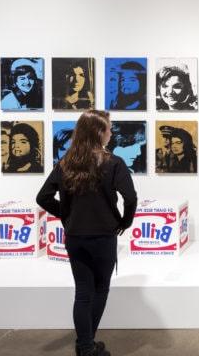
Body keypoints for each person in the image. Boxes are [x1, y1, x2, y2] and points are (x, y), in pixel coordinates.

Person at [36, 110, 137, 356]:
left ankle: (86, 346)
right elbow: (131, 198)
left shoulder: (66, 162)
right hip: (103, 235)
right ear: (98, 132)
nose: (111, 133)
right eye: (109, 128)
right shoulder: (113, 162)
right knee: (100, 289)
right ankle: (87, 345)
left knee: (83, 292)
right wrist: (125, 221)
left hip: (75, 237)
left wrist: (66, 214)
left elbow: (42, 197)